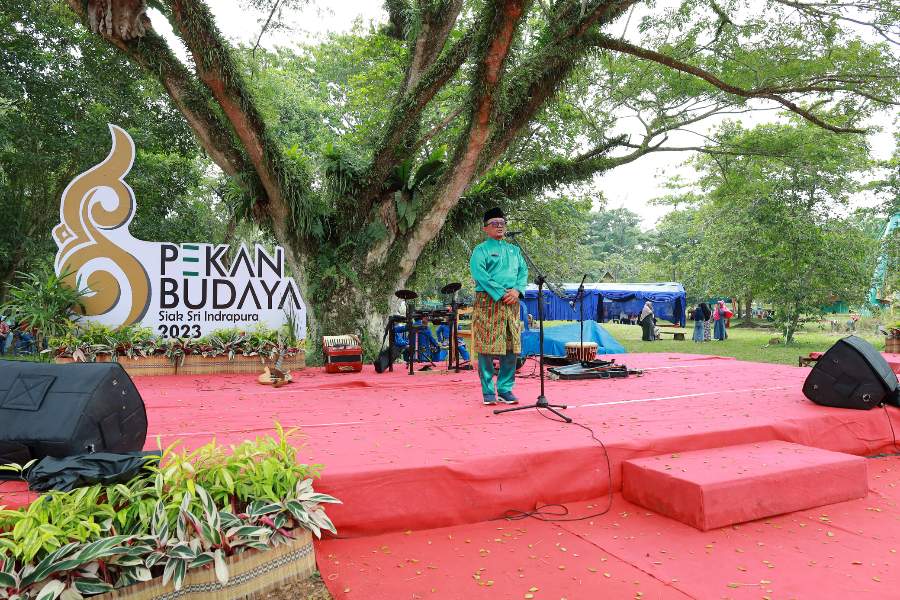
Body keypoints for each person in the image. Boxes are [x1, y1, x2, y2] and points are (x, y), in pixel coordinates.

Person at [469, 207, 528, 406]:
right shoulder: (480, 250)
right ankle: (488, 391)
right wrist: (502, 293)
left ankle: (505, 389)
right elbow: (480, 275)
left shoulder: (514, 250)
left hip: (512, 302)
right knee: (486, 347)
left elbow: (523, 272)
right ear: (485, 228)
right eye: (495, 223)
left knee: (512, 347)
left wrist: (517, 291)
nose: (500, 226)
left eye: (502, 223)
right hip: (489, 301)